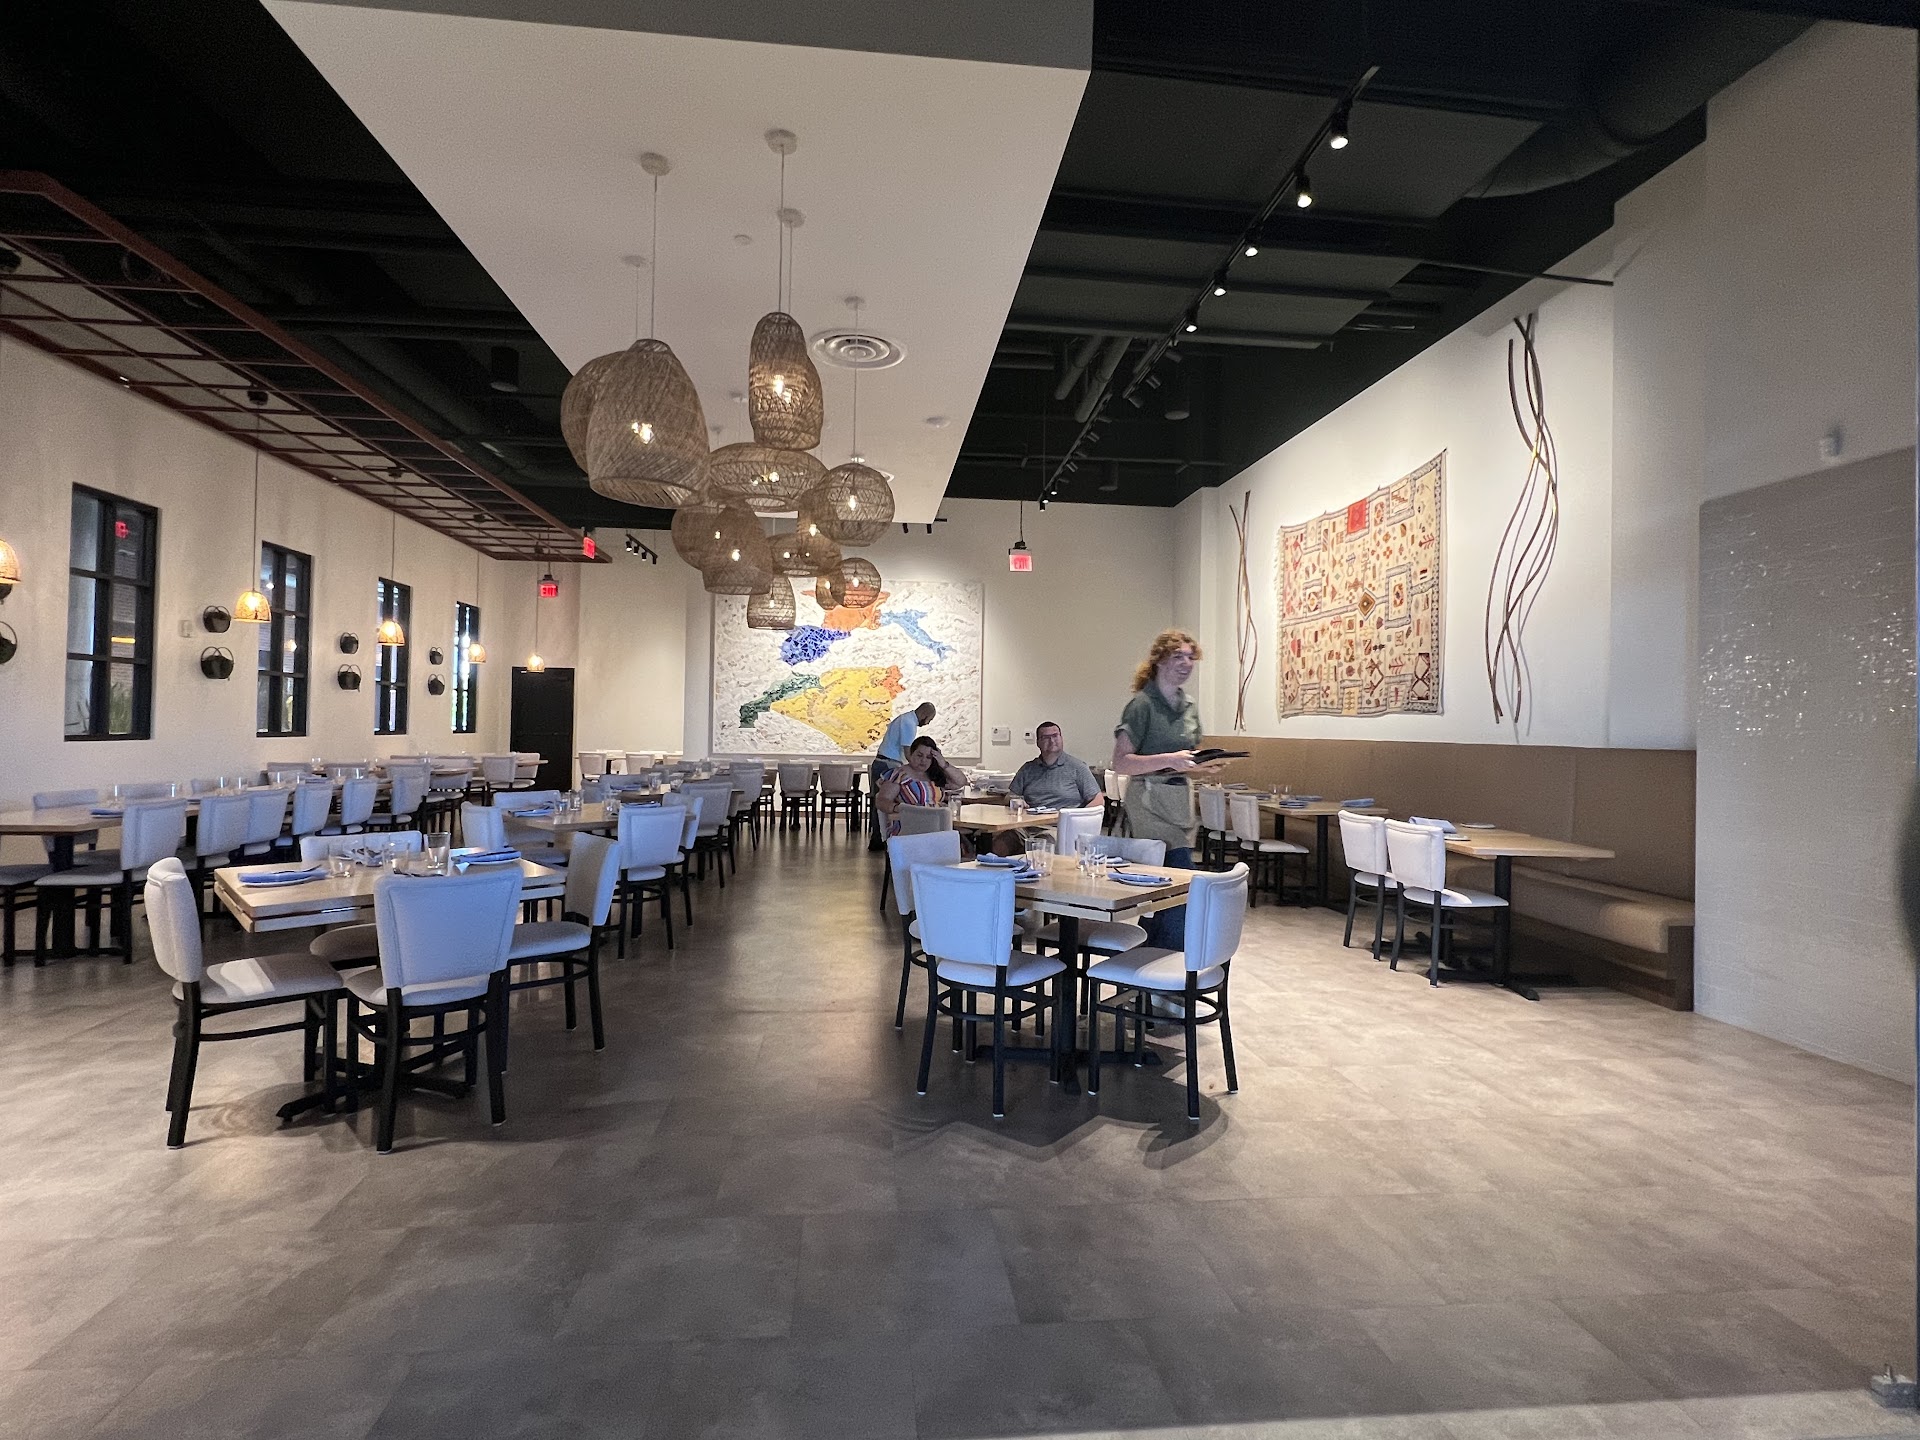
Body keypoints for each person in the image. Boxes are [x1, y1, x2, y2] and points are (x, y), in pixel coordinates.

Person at [1112, 629, 1223, 947]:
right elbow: (1121, 762)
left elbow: (1187, 758)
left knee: (1161, 887)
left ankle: (1142, 957)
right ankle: (1172, 960)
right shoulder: (1142, 705)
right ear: (1160, 661)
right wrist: (1170, 759)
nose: (1186, 663)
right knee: (1181, 880)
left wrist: (1203, 765)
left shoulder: (1189, 706)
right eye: (1178, 656)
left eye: (1191, 657)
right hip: (1148, 800)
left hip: (1178, 800)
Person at [870, 701, 935, 850]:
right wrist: (917, 770)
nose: (928, 723)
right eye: (929, 720)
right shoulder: (909, 723)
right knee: (883, 802)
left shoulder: (905, 718)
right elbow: (908, 752)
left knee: (879, 801)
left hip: (883, 762)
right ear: (925, 715)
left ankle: (879, 838)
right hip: (888, 764)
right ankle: (881, 839)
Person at [1011, 722, 1104, 812]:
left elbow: (1098, 800)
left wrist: (1078, 817)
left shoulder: (1078, 767)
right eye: (1046, 737)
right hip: (1031, 821)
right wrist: (1016, 801)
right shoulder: (1027, 769)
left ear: (1061, 738)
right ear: (1038, 743)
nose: (1052, 741)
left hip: (1066, 821)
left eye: (1055, 736)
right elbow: (1010, 797)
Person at [874, 736, 952, 837]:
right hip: (910, 827)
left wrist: (943, 764)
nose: (923, 760)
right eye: (919, 755)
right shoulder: (899, 775)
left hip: (935, 825)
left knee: (962, 837)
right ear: (911, 754)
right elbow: (882, 800)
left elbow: (960, 782)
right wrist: (899, 808)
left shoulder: (934, 775)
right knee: (956, 838)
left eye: (928, 757)